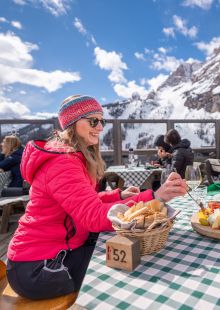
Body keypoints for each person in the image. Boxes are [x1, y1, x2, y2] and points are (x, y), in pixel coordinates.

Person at [6, 95, 187, 300]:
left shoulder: (70, 155)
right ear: (73, 124)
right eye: (93, 121)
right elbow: (93, 216)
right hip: (39, 266)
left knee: (124, 251)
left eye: (102, 121)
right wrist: (154, 196)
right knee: (126, 266)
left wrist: (117, 195)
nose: (100, 127)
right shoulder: (62, 162)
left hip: (56, 250)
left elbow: (84, 201)